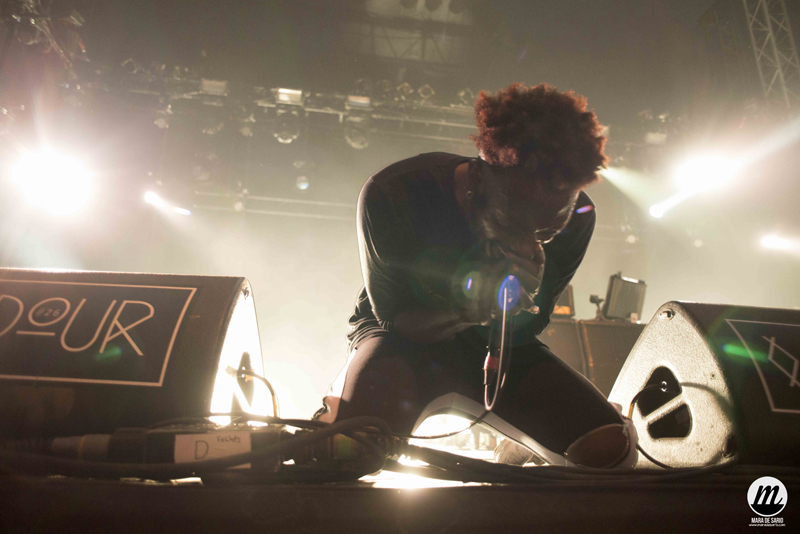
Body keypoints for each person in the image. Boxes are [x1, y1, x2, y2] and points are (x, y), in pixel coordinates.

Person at [316, 83, 637, 468]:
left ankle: (522, 441)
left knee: (610, 451)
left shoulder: (579, 218)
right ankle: (333, 415)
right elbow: (395, 320)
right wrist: (467, 309)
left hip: (495, 346)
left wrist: (517, 303)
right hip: (401, 340)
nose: (530, 243)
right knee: (354, 451)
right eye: (513, 225)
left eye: (546, 233)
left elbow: (529, 328)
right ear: (479, 180)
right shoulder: (396, 191)